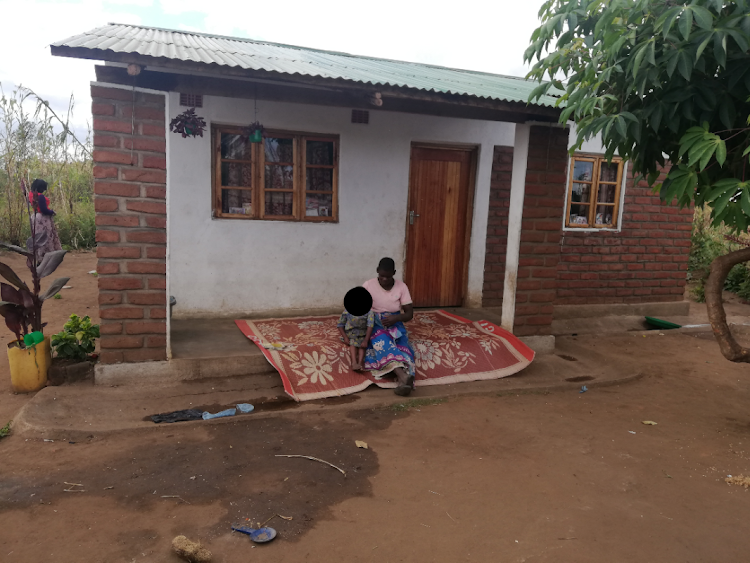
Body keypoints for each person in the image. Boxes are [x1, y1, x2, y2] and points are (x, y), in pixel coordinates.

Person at [362, 257, 416, 396]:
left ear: (394, 272)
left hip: (395, 322)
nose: (384, 279)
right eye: (382, 276)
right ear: (377, 271)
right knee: (383, 342)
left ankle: (404, 382)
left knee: (405, 348)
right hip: (374, 323)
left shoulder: (401, 286)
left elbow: (409, 313)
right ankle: (404, 378)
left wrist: (396, 318)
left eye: (388, 276)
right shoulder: (368, 285)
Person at [337, 287, 376, 371]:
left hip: (363, 333)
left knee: (362, 346)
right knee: (353, 343)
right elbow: (340, 325)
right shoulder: (347, 311)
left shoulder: (369, 312)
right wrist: (345, 337)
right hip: (351, 333)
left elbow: (370, 325)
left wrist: (366, 339)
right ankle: (354, 362)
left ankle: (360, 362)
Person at [28, 179, 62, 259]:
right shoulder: (40, 196)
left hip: (35, 217)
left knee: (37, 238)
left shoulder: (30, 194)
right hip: (42, 219)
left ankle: (38, 257)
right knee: (46, 238)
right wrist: (52, 212)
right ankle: (46, 257)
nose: (43, 190)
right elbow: (43, 210)